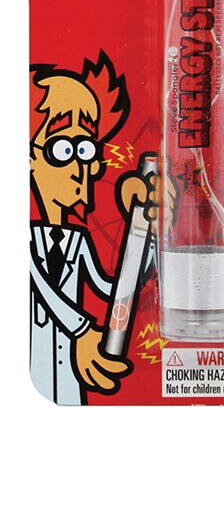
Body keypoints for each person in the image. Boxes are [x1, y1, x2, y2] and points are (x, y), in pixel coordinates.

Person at [29, 53, 162, 405]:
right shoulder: (24, 238)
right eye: (63, 149)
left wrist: (146, 234)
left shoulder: (77, 240)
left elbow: (111, 288)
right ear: (29, 156)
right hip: (31, 372)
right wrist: (81, 331)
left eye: (85, 149)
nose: (79, 167)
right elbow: (37, 281)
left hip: (69, 382)